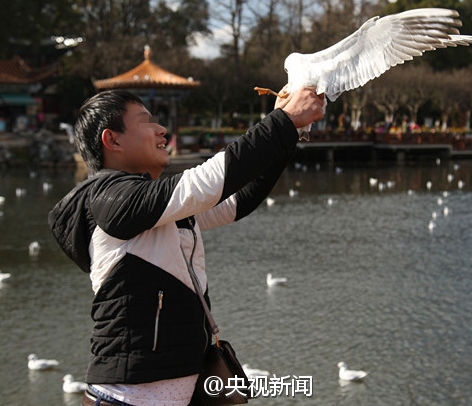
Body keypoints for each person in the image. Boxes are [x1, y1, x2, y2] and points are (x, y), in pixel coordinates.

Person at [49, 87, 325, 406]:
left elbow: (237, 200)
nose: (161, 129)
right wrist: (284, 120)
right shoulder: (109, 200)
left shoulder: (152, 206)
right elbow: (205, 184)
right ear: (112, 140)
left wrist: (290, 133)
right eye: (145, 122)